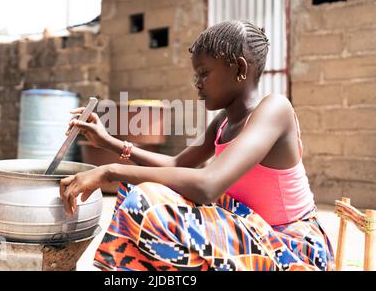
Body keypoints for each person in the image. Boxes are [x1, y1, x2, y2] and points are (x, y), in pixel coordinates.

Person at [60, 20, 335, 271]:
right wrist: (108, 141)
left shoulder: (275, 109)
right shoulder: (223, 122)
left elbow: (208, 185)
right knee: (140, 192)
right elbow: (176, 165)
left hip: (292, 249)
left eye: (204, 73)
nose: (197, 83)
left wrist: (110, 172)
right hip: (252, 235)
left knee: (149, 202)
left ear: (239, 68)